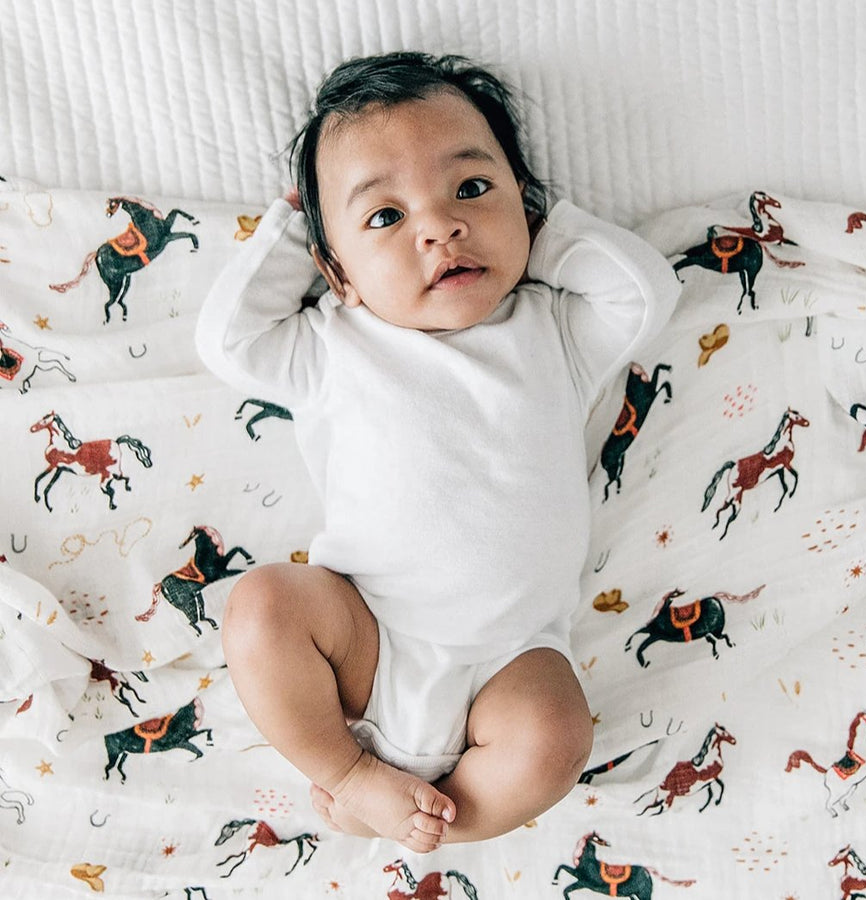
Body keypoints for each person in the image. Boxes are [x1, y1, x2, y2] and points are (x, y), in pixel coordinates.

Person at [196, 51, 680, 852]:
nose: (439, 227)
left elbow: (645, 293)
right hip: (365, 632)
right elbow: (228, 339)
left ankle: (429, 819)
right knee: (262, 608)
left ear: (521, 199)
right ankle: (349, 775)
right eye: (384, 217)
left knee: (556, 738)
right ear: (337, 270)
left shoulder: (554, 332)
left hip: (511, 658)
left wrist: (538, 231)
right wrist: (292, 231)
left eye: (471, 188)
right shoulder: (333, 343)